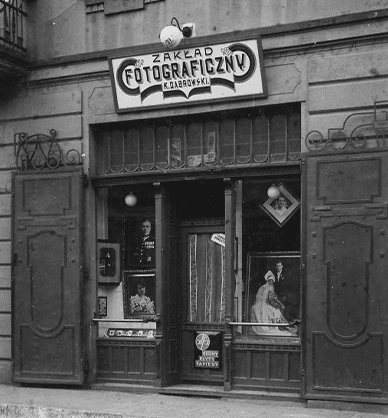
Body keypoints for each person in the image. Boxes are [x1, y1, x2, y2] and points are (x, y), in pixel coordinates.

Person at [250, 271, 296, 335]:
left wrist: (277, 302)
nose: (271, 282)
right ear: (268, 280)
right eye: (270, 280)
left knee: (277, 311)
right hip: (262, 304)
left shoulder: (271, 287)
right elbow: (258, 296)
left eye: (272, 280)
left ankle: (287, 326)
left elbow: (273, 298)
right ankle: (283, 326)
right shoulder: (263, 287)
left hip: (268, 303)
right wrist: (263, 299)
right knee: (270, 310)